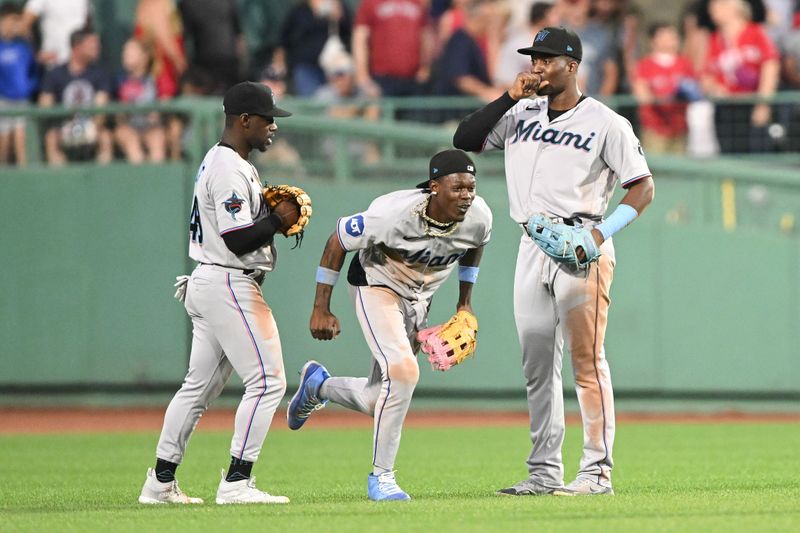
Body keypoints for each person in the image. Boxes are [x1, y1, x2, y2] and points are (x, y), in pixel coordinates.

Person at [453, 27, 654, 496]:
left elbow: (643, 188)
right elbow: (465, 138)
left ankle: (596, 472)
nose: (537, 66)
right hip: (531, 244)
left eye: (546, 59)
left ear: (572, 65)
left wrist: (599, 235)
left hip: (583, 243)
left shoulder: (606, 122)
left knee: (587, 363)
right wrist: (506, 96)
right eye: (533, 58)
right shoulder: (520, 110)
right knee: (537, 366)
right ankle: (544, 471)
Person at [289, 149, 492, 501]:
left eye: (470, 187)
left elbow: (476, 245)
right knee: (404, 373)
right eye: (457, 187)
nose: (466, 195)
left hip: (419, 297)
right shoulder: (392, 213)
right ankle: (382, 478)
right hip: (376, 285)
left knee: (377, 397)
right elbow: (338, 238)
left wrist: (465, 302)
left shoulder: (479, 216)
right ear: (434, 186)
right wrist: (321, 306)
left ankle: (319, 386)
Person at [138, 81, 300, 505]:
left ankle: (159, 482)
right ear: (244, 120)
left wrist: (266, 216)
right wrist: (277, 221)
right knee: (268, 382)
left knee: (197, 388)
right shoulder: (227, 166)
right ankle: (236, 482)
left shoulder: (225, 161)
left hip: (212, 282)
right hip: (229, 281)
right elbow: (237, 239)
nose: (273, 127)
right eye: (267, 119)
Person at [701, 0, 780, 153]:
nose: (711, 10)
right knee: (729, 153)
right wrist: (714, 87)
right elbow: (706, 74)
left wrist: (763, 103)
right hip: (726, 107)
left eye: (717, 5)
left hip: (752, 103)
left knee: (756, 153)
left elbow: (770, 66)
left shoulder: (756, 32)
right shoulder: (716, 38)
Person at [38, 28, 113, 166]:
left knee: (105, 137)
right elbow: (45, 105)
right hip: (63, 126)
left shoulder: (100, 73)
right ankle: (61, 180)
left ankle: (103, 179)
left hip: (90, 125)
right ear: (77, 47)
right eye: (92, 46)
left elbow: (101, 107)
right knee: (51, 138)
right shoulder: (55, 73)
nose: (97, 49)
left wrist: (91, 126)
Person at [632, 23, 698, 154]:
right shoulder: (645, 65)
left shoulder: (684, 63)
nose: (673, 40)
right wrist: (663, 98)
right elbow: (642, 93)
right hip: (655, 127)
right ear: (654, 40)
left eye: (674, 36)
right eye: (666, 36)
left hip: (680, 126)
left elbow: (694, 88)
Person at [352, 0, 433, 97]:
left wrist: (425, 67)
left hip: (413, 79)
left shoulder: (417, 3)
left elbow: (425, 35)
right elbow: (360, 38)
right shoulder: (371, 3)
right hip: (382, 78)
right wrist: (362, 75)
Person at [114, 38, 166, 164]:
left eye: (131, 51)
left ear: (144, 56)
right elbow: (117, 112)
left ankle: (155, 178)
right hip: (128, 127)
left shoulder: (154, 79)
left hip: (151, 127)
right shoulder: (118, 80)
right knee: (131, 141)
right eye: (124, 51)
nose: (125, 55)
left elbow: (164, 103)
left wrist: (156, 115)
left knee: (157, 140)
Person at [178, 0, 246, 94]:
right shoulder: (227, 2)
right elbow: (239, 37)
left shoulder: (187, 4)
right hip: (228, 61)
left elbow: (186, 37)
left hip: (206, 63)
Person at [0, 2, 37, 166]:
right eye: (12, 20)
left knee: (21, 137)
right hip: (3, 100)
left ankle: (24, 175)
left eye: (18, 20)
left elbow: (33, 70)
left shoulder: (24, 47)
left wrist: (29, 87)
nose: (15, 25)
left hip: (22, 100)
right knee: (4, 140)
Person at [21, 0, 91, 68]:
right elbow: (25, 24)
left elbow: (87, 24)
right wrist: (36, 53)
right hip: (54, 62)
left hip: (80, 63)